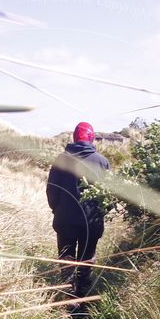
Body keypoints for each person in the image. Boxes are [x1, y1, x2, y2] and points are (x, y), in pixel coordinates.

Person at [46, 121, 110, 298]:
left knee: (66, 261)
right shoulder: (102, 162)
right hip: (92, 222)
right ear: (92, 138)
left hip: (65, 220)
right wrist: (101, 214)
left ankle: (69, 300)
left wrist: (57, 209)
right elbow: (109, 195)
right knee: (86, 262)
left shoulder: (62, 159)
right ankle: (82, 302)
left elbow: (52, 189)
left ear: (75, 138)